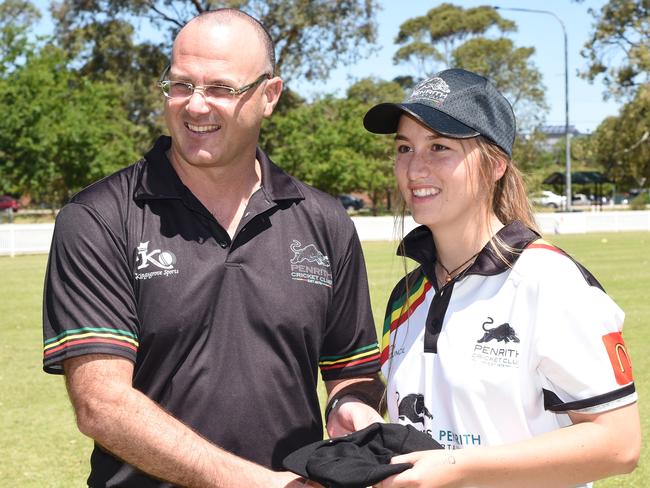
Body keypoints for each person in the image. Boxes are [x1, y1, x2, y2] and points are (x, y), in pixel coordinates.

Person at [42, 9, 384, 487]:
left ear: (270, 96)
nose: (196, 106)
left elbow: (352, 368)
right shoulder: (100, 217)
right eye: (181, 85)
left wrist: (351, 404)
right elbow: (102, 404)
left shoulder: (325, 221)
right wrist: (258, 483)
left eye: (222, 89)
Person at [361, 68, 640, 487]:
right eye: (404, 147)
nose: (415, 167)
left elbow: (619, 445)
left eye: (438, 146)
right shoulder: (408, 294)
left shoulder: (550, 282)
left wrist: (458, 466)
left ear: (495, 166)